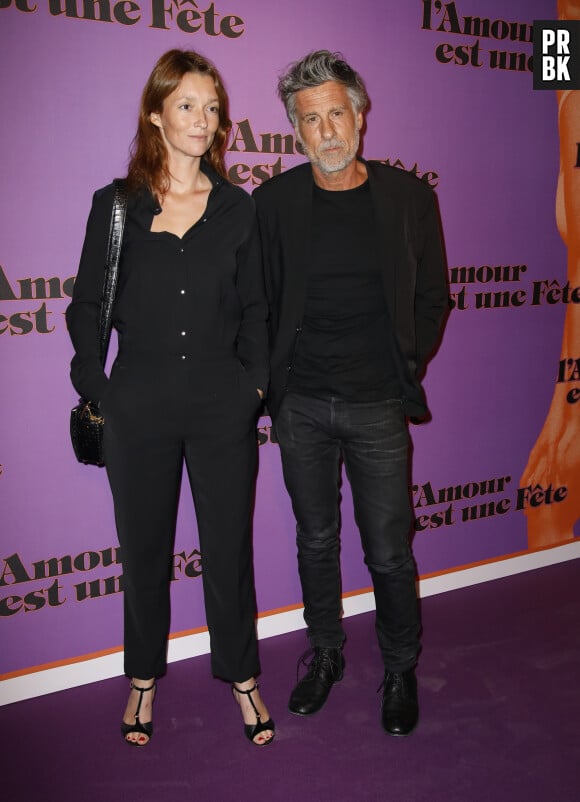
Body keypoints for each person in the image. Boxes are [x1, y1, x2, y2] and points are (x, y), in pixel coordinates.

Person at [66, 49, 274, 747]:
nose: (204, 119)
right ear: (156, 114)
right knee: (145, 552)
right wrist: (98, 387)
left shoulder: (238, 208)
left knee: (228, 550)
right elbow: (87, 303)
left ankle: (243, 677)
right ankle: (143, 681)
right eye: (188, 104)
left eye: (212, 107)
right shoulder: (117, 206)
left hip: (223, 406)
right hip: (140, 405)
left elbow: (256, 312)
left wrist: (251, 387)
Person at [253, 50, 448, 736]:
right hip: (301, 406)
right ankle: (327, 654)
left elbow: (433, 299)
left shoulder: (408, 197)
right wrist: (272, 391)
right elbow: (259, 304)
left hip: (376, 406)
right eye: (312, 119)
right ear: (295, 131)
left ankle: (400, 666)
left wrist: (403, 363)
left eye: (338, 111)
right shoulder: (271, 204)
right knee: (315, 540)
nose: (328, 129)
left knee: (389, 549)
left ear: (360, 116)